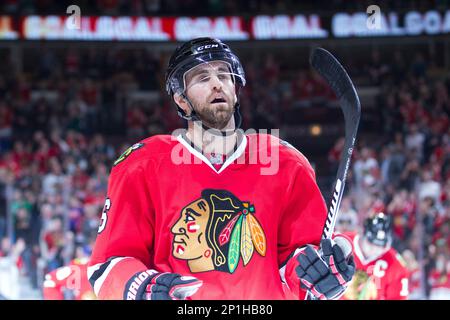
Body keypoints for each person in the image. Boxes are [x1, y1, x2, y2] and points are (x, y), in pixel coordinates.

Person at [87, 37, 355, 300]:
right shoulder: (143, 165)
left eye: (224, 75)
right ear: (181, 100)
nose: (217, 83)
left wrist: (321, 275)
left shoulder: (284, 162)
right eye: (202, 77)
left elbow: (300, 261)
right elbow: (107, 266)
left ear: (235, 91)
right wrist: (141, 286)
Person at [341, 212, 410, 300]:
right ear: (362, 233)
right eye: (371, 243)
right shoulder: (341, 242)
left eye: (380, 246)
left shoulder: (395, 264)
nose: (375, 249)